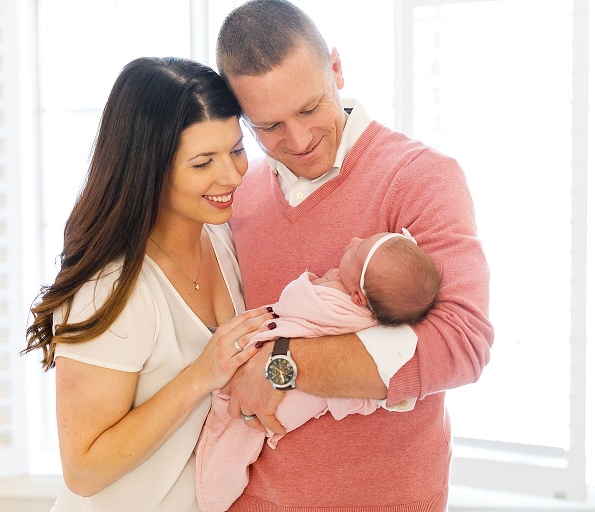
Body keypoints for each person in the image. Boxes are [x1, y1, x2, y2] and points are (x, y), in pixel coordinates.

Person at [217, 1, 494, 509]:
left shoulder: (420, 177)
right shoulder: (239, 197)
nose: (298, 140)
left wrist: (287, 363)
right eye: (269, 127)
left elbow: (461, 345)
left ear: (337, 69)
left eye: (308, 108)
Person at [21, 56, 276, 512]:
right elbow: (83, 470)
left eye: (237, 149)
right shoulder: (112, 287)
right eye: (203, 163)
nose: (234, 175)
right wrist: (200, 376)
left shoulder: (221, 237)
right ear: (149, 167)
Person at [195, 229, 442, 512]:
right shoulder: (374, 309)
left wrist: (281, 358)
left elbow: (294, 303)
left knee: (236, 434)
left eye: (358, 252)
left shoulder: (339, 304)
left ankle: (211, 495)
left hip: (381, 490)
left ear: (359, 298)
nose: (353, 240)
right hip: (267, 495)